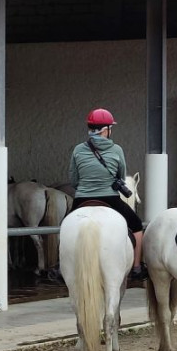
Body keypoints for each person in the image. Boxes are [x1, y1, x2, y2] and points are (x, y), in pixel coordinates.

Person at [69, 108, 147, 282]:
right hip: (110, 198)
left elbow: (73, 180)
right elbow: (120, 177)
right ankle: (136, 267)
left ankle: (60, 265)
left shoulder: (78, 150)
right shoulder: (117, 149)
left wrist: (86, 187)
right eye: (110, 127)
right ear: (105, 130)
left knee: (63, 228)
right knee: (136, 226)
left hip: (82, 198)